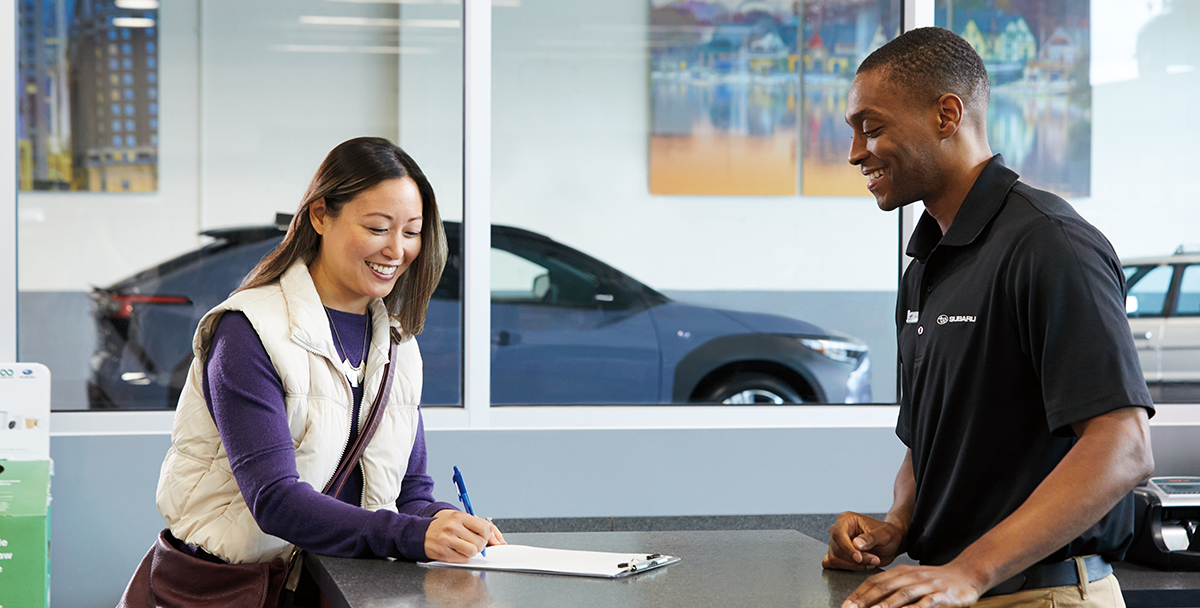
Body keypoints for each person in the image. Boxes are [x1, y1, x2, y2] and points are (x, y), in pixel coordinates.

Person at [823, 27, 1155, 608]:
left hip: (1042, 594)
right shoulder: (926, 265)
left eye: (871, 129)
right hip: (952, 587)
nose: (855, 153)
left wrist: (970, 571)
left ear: (947, 115)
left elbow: (1123, 446)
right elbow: (931, 441)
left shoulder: (1049, 244)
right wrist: (897, 525)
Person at [152, 137, 503, 604]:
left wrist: (447, 525)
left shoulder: (397, 344)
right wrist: (412, 536)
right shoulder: (248, 332)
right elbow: (274, 501)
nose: (396, 249)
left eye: (412, 232)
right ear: (320, 215)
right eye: (378, 227)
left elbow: (409, 495)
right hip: (238, 589)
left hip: (332, 587)